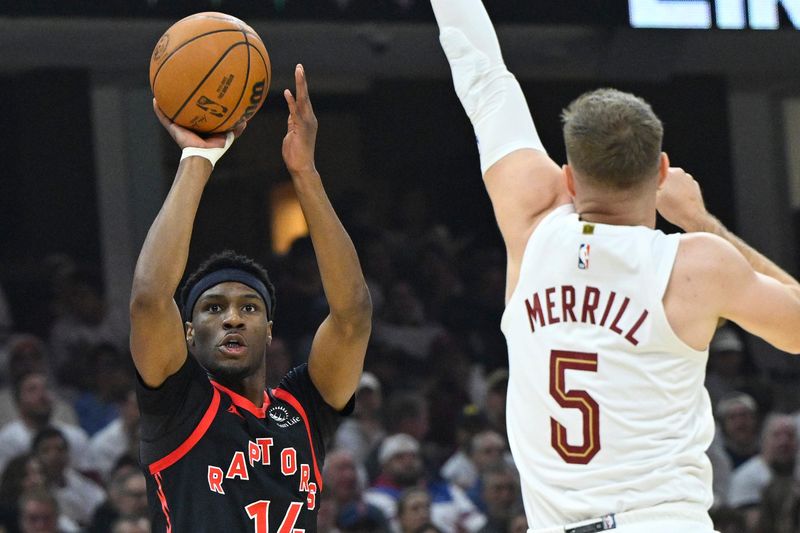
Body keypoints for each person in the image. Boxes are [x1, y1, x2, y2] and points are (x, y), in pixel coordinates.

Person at [430, 1, 800, 532]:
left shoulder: (532, 223)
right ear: (663, 170)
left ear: (570, 179)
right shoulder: (697, 263)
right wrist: (701, 220)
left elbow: (483, 74)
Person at [128, 64, 371, 532]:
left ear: (270, 329)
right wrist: (197, 158)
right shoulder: (177, 405)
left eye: (249, 308)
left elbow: (352, 315)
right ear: (188, 331)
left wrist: (305, 174)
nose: (233, 318)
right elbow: (148, 299)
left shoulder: (302, 408)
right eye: (213, 308)